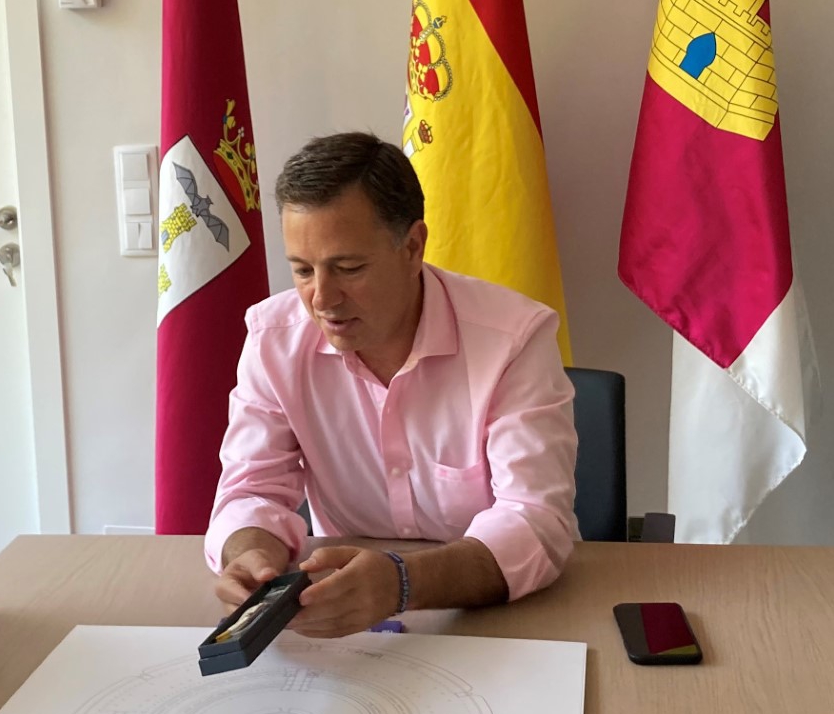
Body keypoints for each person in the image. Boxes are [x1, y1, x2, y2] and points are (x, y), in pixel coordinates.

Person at [206, 132, 578, 636]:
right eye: (303, 271)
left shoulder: (512, 340)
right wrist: (251, 554)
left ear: (413, 247)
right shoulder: (273, 339)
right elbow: (251, 490)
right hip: (341, 609)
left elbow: (535, 519)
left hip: (498, 612)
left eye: (348, 268)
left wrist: (402, 582)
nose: (322, 299)